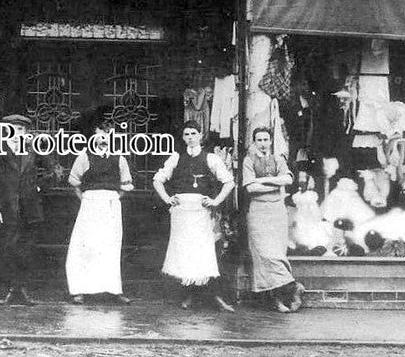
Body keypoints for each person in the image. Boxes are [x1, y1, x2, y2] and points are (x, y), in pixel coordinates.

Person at [153, 120, 235, 312]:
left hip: (201, 212)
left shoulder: (210, 158)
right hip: (181, 212)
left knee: (202, 251)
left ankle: (212, 295)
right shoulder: (176, 158)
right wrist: (167, 199)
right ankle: (189, 294)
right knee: (185, 251)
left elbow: (229, 182)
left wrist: (215, 201)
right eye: (187, 134)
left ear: (200, 135)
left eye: (193, 134)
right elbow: (157, 180)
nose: (190, 137)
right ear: (183, 137)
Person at [0, 112, 63, 305]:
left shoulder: (34, 149)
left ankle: (20, 290)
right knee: (6, 249)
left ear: (26, 132)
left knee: (25, 251)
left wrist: (38, 187)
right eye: (11, 129)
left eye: (20, 129)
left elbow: (56, 172)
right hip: (6, 209)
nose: (16, 133)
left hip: (30, 210)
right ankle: (5, 291)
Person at [66, 110, 134, 305]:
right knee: (86, 246)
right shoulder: (84, 157)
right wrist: (86, 200)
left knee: (110, 246)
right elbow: (75, 182)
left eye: (107, 136)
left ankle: (113, 290)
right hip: (90, 205)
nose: (103, 140)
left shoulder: (119, 158)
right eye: (99, 136)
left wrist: (114, 197)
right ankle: (79, 290)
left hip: (111, 205)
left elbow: (125, 184)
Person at [243, 126, 303, 313]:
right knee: (262, 255)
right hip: (258, 210)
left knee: (276, 254)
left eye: (265, 140)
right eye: (259, 140)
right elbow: (250, 188)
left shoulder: (279, 159)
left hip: (277, 210)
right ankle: (292, 288)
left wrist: (260, 181)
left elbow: (288, 180)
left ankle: (279, 298)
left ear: (270, 141)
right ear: (254, 142)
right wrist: (275, 184)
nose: (262, 143)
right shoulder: (248, 160)